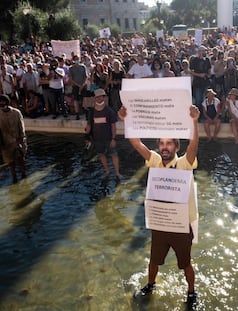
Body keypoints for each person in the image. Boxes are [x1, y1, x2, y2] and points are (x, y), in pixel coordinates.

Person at [117, 104, 200, 309]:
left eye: (169, 144)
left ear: (176, 147)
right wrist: (126, 120)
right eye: (162, 143)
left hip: (181, 226)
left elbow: (194, 145)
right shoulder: (154, 161)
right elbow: (136, 143)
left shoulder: (184, 164)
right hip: (160, 223)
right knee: (153, 261)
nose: (165, 147)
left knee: (185, 264)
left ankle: (191, 292)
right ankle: (150, 285)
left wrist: (194, 122)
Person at [85, 88, 121, 179]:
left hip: (108, 138)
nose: (99, 98)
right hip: (97, 139)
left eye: (101, 96)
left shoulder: (109, 111)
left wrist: (113, 138)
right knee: (101, 154)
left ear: (104, 97)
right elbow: (89, 124)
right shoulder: (91, 112)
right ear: (95, 98)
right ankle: (107, 171)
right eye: (97, 97)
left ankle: (117, 173)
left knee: (114, 154)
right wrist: (86, 137)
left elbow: (113, 126)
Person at [0, 94, 27, 183]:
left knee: (21, 158)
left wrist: (22, 138)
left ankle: (24, 174)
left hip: (18, 139)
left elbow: (21, 126)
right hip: (6, 142)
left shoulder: (16, 112)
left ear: (7, 102)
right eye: (0, 102)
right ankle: (14, 177)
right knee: (10, 161)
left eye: (3, 102)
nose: (2, 104)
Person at [69, 55, 89, 120]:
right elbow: (71, 79)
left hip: (83, 86)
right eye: (75, 59)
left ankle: (86, 113)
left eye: (77, 59)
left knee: (84, 99)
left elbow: (86, 77)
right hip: (75, 86)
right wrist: (78, 85)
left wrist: (82, 85)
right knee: (76, 100)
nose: (77, 60)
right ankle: (77, 114)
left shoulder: (83, 67)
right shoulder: (71, 68)